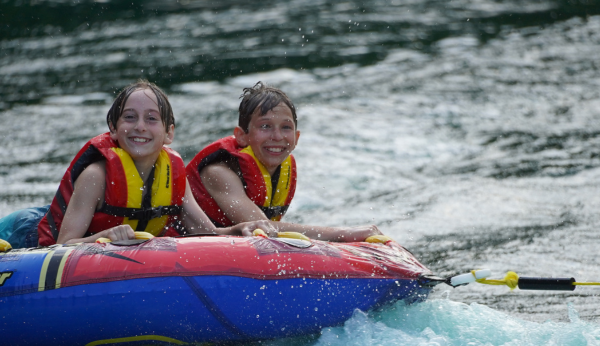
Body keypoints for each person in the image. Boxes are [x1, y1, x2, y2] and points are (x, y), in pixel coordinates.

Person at [0, 80, 276, 249]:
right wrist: (106, 236)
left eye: (152, 119)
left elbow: (207, 234)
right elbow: (63, 245)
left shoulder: (174, 175)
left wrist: (239, 229)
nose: (140, 127)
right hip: (24, 232)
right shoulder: (96, 175)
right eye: (129, 118)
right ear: (114, 129)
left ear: (169, 133)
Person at [186, 82, 382, 242]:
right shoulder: (218, 173)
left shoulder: (280, 172)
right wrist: (344, 234)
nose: (277, 136)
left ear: (296, 138)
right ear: (242, 136)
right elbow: (263, 226)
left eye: (286, 127)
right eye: (265, 126)